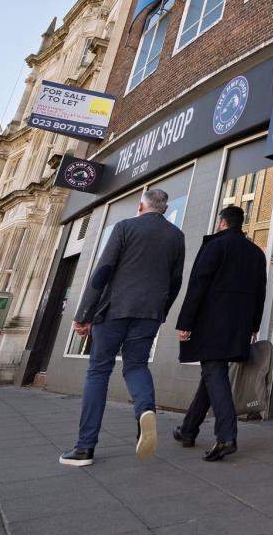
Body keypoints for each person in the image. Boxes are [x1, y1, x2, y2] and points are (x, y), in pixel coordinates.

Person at [60, 188, 185, 467]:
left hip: (114, 310)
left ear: (141, 206)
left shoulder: (125, 227)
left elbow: (103, 271)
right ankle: (145, 410)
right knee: (136, 366)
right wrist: (161, 312)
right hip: (149, 313)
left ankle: (84, 447)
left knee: (98, 371)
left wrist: (84, 314)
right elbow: (175, 281)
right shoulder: (177, 236)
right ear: (165, 210)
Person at [172, 205, 267, 462]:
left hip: (211, 323)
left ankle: (226, 436)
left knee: (214, 371)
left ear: (223, 223)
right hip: (239, 326)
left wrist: (186, 322)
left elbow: (198, 285)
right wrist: (253, 326)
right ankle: (188, 430)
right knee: (211, 375)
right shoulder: (256, 253)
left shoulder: (216, 245)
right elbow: (260, 293)